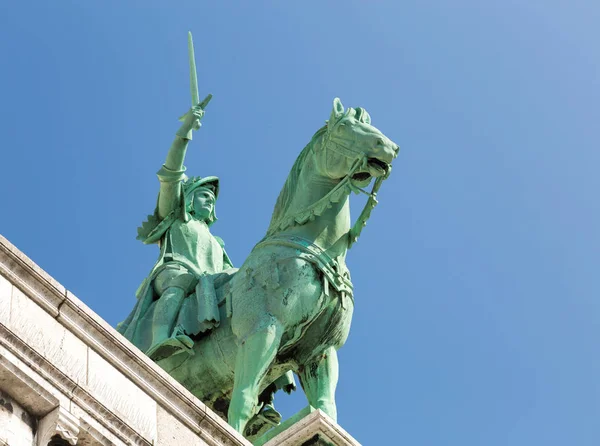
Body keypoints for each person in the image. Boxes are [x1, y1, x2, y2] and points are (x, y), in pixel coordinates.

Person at [117, 105, 234, 360]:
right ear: (189, 200)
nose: (210, 202)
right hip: (173, 272)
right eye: (204, 196)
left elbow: (228, 273)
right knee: (182, 281)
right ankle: (161, 340)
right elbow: (171, 175)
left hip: (207, 283)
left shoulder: (217, 243)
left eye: (213, 200)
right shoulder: (177, 217)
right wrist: (185, 131)